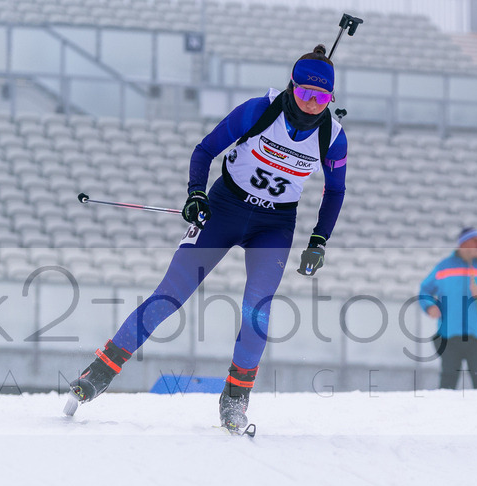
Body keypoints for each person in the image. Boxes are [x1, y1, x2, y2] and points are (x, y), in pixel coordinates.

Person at [68, 44, 348, 433]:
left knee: (258, 311)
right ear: (291, 87)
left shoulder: (332, 137)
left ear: (332, 98)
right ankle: (99, 372)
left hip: (274, 225)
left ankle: (234, 401)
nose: (313, 103)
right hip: (223, 209)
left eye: (322, 97)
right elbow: (204, 150)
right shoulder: (258, 110)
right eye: (305, 94)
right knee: (170, 294)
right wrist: (196, 193)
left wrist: (319, 240)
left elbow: (335, 191)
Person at [419, 228, 477, 390]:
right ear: (463, 244)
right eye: (475, 244)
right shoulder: (443, 268)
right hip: (449, 334)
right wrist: (430, 306)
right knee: (447, 382)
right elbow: (425, 290)